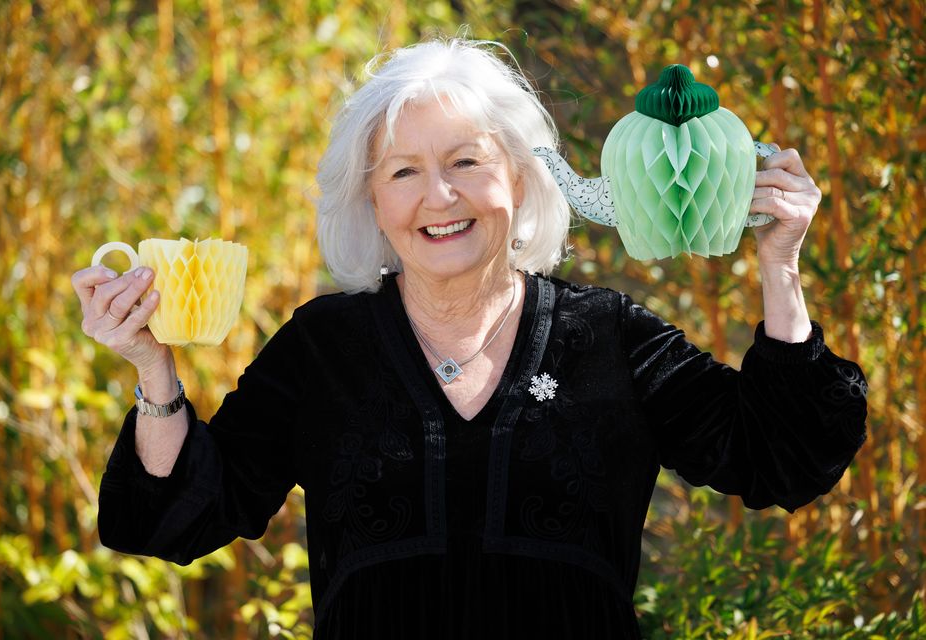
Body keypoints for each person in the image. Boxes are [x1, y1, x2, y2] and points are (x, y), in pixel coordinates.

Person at [72, 38, 868, 640]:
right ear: (372, 201)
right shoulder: (324, 348)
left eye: (465, 161)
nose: (439, 197)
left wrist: (779, 265)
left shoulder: (607, 337)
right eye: (403, 173)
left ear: (519, 178)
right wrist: (153, 367)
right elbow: (182, 519)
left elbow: (780, 457)